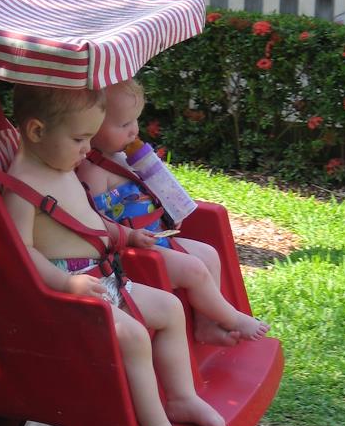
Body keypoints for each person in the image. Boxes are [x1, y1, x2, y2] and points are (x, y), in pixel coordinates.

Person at [3, 84, 227, 426]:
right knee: (133, 336)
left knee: (169, 308)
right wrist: (66, 285)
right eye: (79, 139)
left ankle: (181, 397)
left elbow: (88, 222)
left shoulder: (61, 167)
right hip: (68, 295)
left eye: (90, 137)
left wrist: (126, 235)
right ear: (37, 131)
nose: (87, 148)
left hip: (104, 278)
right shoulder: (22, 187)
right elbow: (21, 252)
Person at [77, 79, 269, 346]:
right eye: (123, 124)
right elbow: (93, 220)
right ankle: (230, 317)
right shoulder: (92, 170)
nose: (134, 131)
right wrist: (129, 236)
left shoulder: (122, 156)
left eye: (135, 121)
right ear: (91, 124)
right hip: (132, 251)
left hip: (157, 237)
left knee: (209, 255)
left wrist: (167, 206)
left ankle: (205, 324)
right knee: (194, 269)